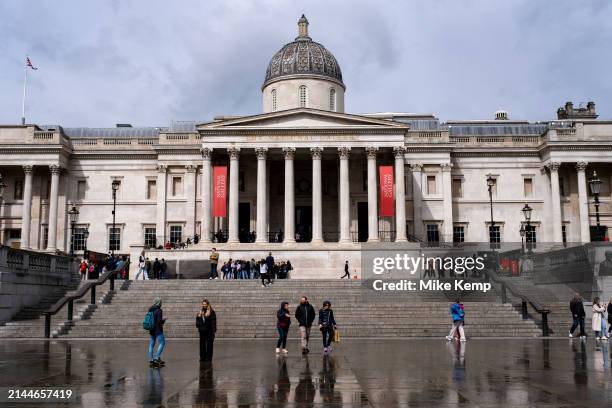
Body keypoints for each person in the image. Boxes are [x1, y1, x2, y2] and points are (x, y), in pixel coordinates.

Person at [147, 297, 166, 367]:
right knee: (162, 343)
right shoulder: (159, 310)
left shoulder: (150, 309)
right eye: (161, 302)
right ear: (159, 302)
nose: (161, 303)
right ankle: (157, 358)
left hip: (151, 329)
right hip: (158, 330)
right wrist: (163, 320)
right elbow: (159, 322)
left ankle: (151, 359)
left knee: (151, 344)